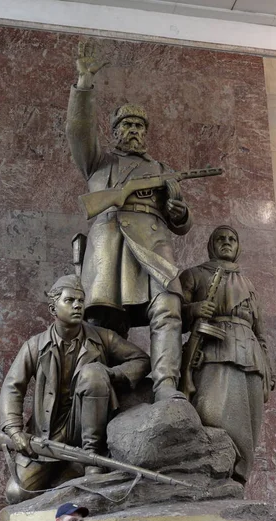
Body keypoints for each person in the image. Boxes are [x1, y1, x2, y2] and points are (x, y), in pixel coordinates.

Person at [65, 41, 192, 404]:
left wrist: (178, 208)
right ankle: (99, 390)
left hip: (153, 245)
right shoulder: (98, 162)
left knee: (168, 309)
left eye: (139, 125)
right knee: (105, 323)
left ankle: (166, 385)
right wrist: (84, 84)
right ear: (115, 131)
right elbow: (78, 130)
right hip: (111, 246)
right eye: (126, 124)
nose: (134, 129)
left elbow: (180, 219)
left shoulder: (162, 170)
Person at [0, 274, 150, 503]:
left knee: (93, 373)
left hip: (86, 426)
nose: (78, 305)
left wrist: (111, 374)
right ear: (53, 308)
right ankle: (67, 472)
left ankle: (91, 460)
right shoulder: (35, 345)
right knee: (16, 493)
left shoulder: (103, 337)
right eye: (70, 300)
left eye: (81, 300)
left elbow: (141, 359)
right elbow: (12, 387)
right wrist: (14, 431)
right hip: (46, 435)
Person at [180, 226, 276, 484]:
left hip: (250, 357)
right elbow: (168, 317)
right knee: (215, 415)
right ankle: (212, 474)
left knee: (250, 423)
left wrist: (269, 371)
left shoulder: (249, 284)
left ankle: (235, 480)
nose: (226, 242)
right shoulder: (194, 275)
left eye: (232, 239)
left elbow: (261, 331)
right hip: (214, 352)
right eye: (220, 238)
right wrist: (194, 310)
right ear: (211, 244)